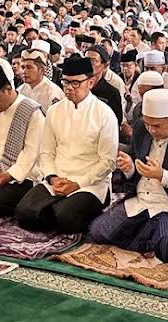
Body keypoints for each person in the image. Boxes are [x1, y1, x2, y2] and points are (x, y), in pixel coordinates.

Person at [89, 88, 168, 262]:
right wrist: (130, 168)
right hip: (142, 200)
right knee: (98, 231)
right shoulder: (142, 128)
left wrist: (162, 175)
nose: (151, 130)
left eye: (157, 125)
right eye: (148, 124)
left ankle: (154, 233)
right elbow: (135, 164)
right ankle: (152, 234)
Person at [15, 56, 117, 234]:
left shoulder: (104, 114)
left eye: (76, 83)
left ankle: (63, 209)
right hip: (58, 179)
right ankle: (58, 207)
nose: (69, 88)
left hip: (90, 183)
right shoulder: (55, 110)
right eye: (66, 82)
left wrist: (77, 184)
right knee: (23, 214)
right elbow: (46, 152)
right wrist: (53, 177)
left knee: (66, 219)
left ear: (91, 82)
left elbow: (107, 162)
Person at [0, 66, 45, 219]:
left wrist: (10, 175)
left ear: (8, 89)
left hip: (24, 174)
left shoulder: (31, 112)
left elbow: (31, 154)